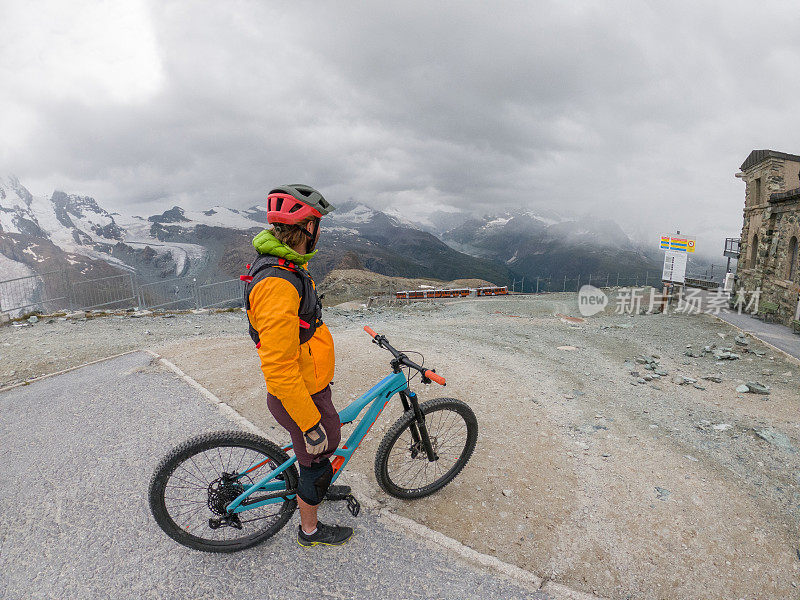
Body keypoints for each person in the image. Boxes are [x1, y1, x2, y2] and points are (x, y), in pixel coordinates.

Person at [244, 184, 352, 547]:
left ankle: (319, 483)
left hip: (309, 384)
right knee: (318, 453)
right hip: (298, 393)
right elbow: (277, 366)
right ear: (307, 227)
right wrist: (310, 424)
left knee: (324, 444)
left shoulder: (288, 265)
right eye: (318, 223)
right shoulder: (278, 282)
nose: (320, 230)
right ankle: (310, 530)